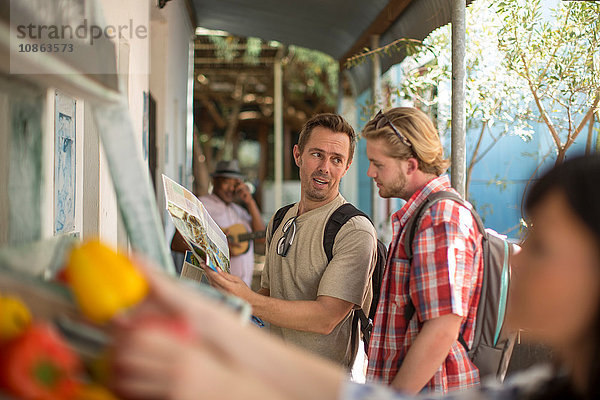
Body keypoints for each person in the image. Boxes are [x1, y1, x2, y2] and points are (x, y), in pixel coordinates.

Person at [110, 154, 600, 400]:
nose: (514, 260)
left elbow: (338, 322)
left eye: (543, 248)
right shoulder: (543, 388)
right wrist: (213, 323)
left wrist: (223, 380)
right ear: (297, 156)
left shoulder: (398, 223)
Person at [203, 113, 377, 368]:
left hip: (320, 384)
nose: (325, 167)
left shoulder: (353, 230)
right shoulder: (280, 218)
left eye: (336, 159)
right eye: (317, 154)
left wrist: (247, 299)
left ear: (347, 166)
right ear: (298, 155)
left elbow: (326, 318)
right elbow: (272, 293)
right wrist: (233, 301)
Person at [361, 108, 483, 393]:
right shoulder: (425, 216)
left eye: (377, 163)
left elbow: (442, 328)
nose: (370, 173)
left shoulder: (439, 219)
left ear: (411, 165)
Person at [171, 160, 265, 286]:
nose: (231, 189)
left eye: (235, 184)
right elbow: (177, 242)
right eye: (227, 182)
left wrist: (250, 201)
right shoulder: (201, 205)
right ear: (215, 181)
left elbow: (261, 237)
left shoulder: (239, 211)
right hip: (214, 291)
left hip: (243, 290)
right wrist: (215, 253)